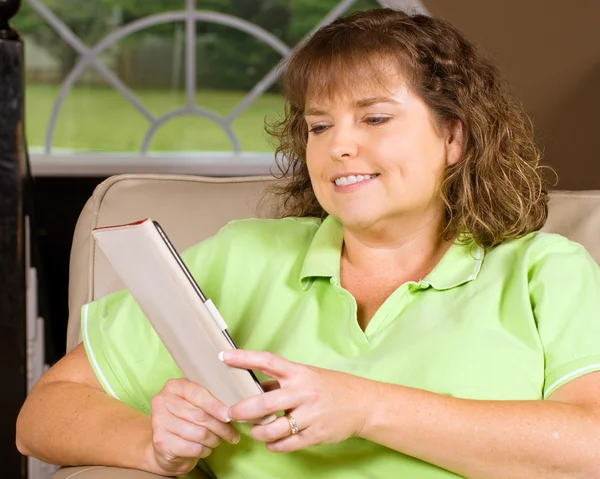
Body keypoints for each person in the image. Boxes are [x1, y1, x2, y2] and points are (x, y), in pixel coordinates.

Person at [16, 7, 600, 479]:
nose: (337, 146)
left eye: (374, 118)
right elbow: (45, 412)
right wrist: (153, 442)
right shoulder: (240, 257)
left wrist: (367, 408)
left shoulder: (545, 271)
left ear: (452, 136)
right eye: (319, 125)